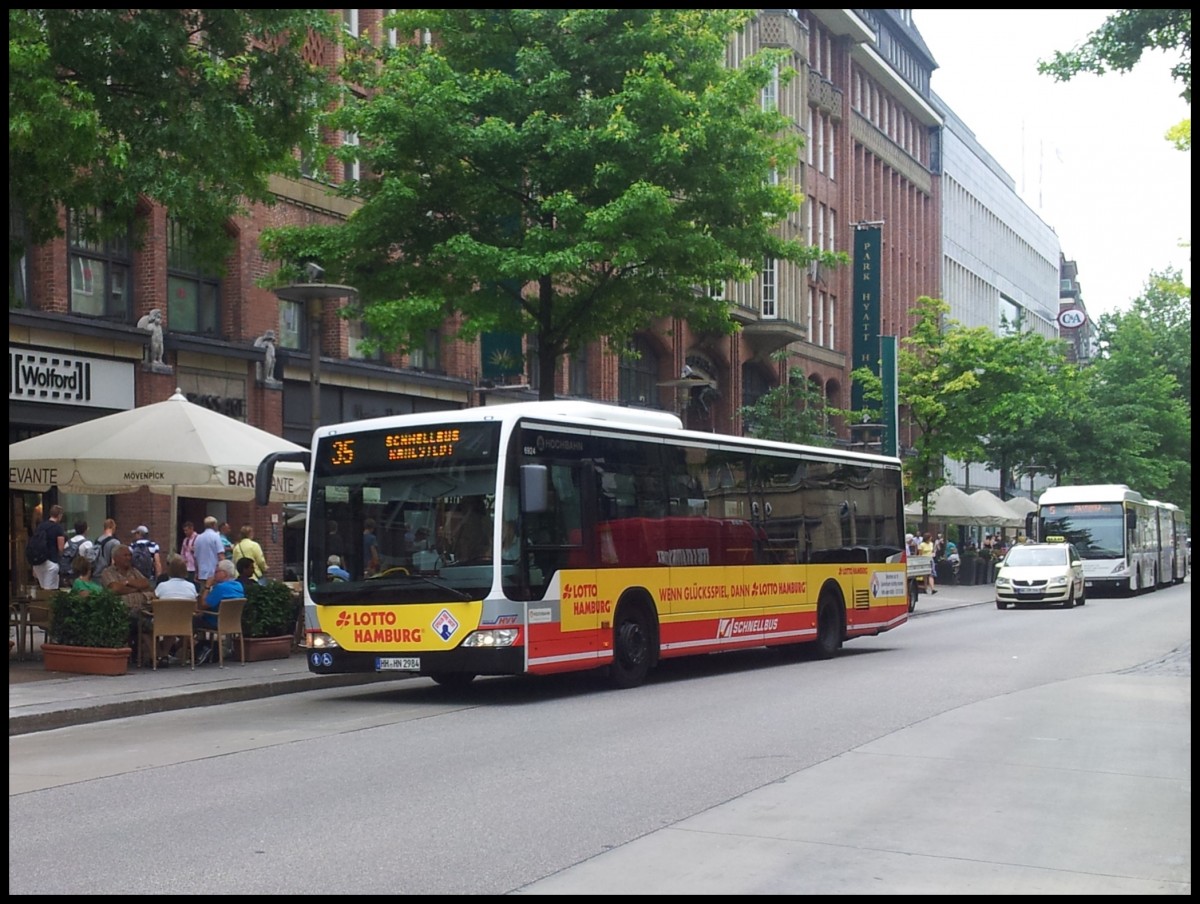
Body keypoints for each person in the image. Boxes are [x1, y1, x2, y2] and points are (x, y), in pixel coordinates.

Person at [100, 543, 156, 647]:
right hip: (122, 613)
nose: (129, 558)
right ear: (115, 558)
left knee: (154, 620)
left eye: (130, 555)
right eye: (125, 555)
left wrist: (127, 582)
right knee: (143, 623)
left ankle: (158, 653)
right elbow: (115, 588)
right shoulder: (108, 572)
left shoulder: (134, 571)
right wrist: (137, 588)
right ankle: (157, 654)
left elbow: (146, 583)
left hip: (144, 610)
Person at [196, 559, 243, 631]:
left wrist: (207, 586)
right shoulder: (239, 586)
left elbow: (202, 605)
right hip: (233, 622)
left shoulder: (221, 587)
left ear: (224, 573)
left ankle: (187, 639)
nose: (214, 575)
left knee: (191, 620)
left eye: (216, 572)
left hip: (216, 621)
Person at [30, 504, 67, 590]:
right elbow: (60, 548)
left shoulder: (40, 526)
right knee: (49, 590)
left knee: (43, 588)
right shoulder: (58, 528)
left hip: (38, 562)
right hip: (51, 562)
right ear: (59, 515)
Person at [60, 518, 95, 585]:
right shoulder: (87, 544)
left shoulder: (68, 543)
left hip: (69, 575)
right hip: (82, 575)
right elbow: (91, 561)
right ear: (86, 530)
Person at [194, 516, 224, 591]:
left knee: (204, 591)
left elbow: (195, 557)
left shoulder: (198, 538)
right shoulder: (216, 536)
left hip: (202, 572)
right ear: (214, 525)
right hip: (214, 572)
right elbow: (221, 555)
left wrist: (196, 572)